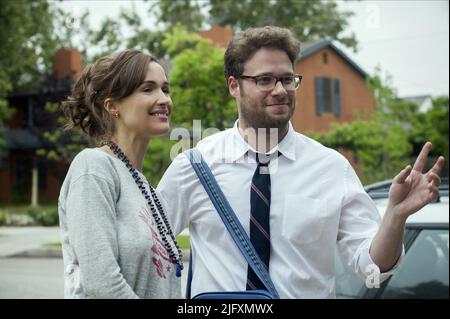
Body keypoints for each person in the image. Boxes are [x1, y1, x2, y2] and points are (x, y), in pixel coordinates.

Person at [157, 26, 445, 298]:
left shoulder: (332, 168)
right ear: (234, 86)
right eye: (265, 80)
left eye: (286, 79)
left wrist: (395, 216)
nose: (280, 90)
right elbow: (150, 254)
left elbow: (371, 269)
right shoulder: (194, 166)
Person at [58, 49, 182, 298]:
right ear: (113, 106)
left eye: (165, 89)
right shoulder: (93, 168)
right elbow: (101, 282)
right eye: (148, 89)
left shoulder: (143, 185)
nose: (164, 99)